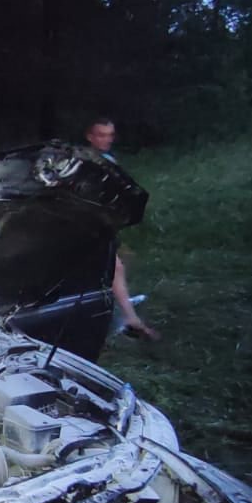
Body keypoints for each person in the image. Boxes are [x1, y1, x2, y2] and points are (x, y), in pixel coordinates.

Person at [83, 117, 161, 341]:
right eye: (101, 135)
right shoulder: (85, 162)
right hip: (88, 226)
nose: (106, 140)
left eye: (110, 135)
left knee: (116, 266)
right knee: (114, 267)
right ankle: (128, 317)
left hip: (103, 225)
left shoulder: (107, 159)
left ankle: (123, 311)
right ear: (90, 136)